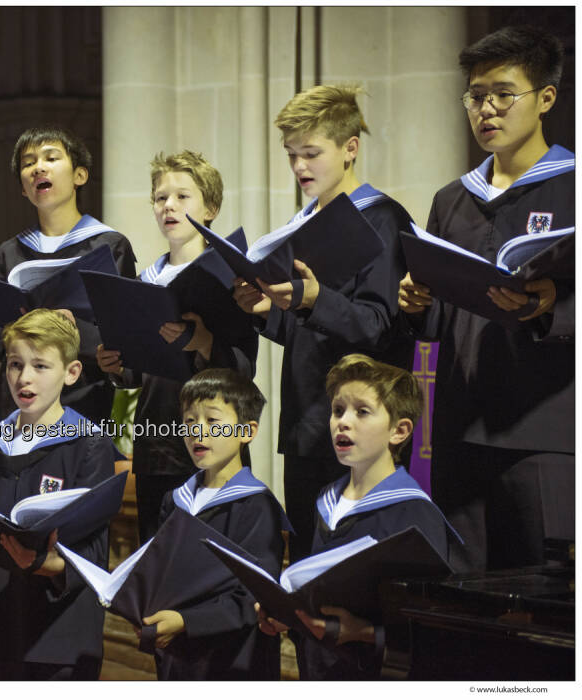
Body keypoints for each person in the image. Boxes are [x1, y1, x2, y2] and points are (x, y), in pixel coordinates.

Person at [399, 26, 574, 572]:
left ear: (545, 98)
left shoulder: (573, 189)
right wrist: (416, 302)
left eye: (504, 93)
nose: (487, 109)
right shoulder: (451, 200)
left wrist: (555, 304)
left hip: (542, 432)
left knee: (543, 601)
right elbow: (434, 324)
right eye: (476, 96)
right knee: (462, 597)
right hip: (457, 428)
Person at [233, 85, 415, 562]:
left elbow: (381, 326)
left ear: (350, 147)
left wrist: (315, 300)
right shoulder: (300, 226)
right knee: (308, 567)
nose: (299, 168)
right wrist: (266, 311)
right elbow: (303, 332)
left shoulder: (383, 220)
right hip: (307, 423)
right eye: (292, 155)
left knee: (354, 573)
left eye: (311, 153)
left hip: (362, 428)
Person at [258, 354, 457, 680]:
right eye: (337, 411)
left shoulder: (414, 512)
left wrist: (363, 631)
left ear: (399, 430)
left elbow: (431, 629)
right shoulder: (326, 499)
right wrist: (289, 615)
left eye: (362, 412)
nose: (342, 422)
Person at [97, 150, 257, 543]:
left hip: (211, 442)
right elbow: (137, 371)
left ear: (211, 208)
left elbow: (244, 367)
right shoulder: (145, 279)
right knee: (156, 554)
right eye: (160, 198)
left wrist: (203, 342)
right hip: (156, 441)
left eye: (182, 197)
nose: (168, 206)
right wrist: (116, 365)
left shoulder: (227, 276)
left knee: (208, 555)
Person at [0, 309, 116, 680]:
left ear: (72, 373)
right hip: (2, 623)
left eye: (40, 366)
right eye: (15, 364)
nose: (24, 377)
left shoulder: (89, 443)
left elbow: (92, 553)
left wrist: (41, 563)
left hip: (60, 630)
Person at [0, 126, 137, 424]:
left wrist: (72, 329)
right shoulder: (10, 252)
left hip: (82, 398)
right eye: (28, 164)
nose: (38, 167)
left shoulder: (109, 245)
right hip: (18, 404)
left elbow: (124, 333)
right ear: (24, 189)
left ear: (80, 175)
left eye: (51, 158)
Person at [147, 368, 287, 680]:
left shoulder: (256, 505)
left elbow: (253, 596)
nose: (198, 431)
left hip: (232, 659)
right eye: (189, 421)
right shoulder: (175, 500)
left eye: (212, 421)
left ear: (247, 431)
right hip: (178, 654)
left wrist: (186, 621)